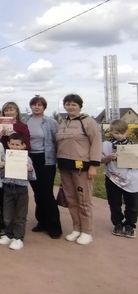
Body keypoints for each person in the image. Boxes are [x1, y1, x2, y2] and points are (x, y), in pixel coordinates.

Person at [56, 93, 102, 245]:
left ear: (80, 106)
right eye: (67, 104)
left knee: (83, 200)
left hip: (82, 166)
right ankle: (76, 228)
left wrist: (93, 166)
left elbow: (96, 143)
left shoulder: (88, 122)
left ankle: (87, 231)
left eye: (73, 104)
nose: (70, 107)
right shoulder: (63, 122)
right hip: (64, 166)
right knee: (70, 198)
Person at [26, 95, 62, 239]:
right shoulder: (25, 120)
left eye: (40, 105)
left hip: (46, 160)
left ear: (44, 107)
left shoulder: (51, 122)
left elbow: (57, 141)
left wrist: (58, 159)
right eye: (34, 104)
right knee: (37, 193)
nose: (37, 107)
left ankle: (54, 227)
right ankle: (41, 222)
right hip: (30, 159)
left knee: (46, 193)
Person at [0, 133, 36, 251]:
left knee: (20, 214)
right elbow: (1, 175)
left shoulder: (27, 159)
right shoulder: (5, 158)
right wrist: (1, 167)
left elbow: (33, 177)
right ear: (8, 144)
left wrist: (30, 170)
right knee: (7, 214)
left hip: (21, 189)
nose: (14, 147)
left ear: (23, 146)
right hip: (8, 188)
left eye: (17, 145)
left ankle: (18, 238)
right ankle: (9, 235)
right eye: (12, 144)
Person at [102, 119, 138, 238]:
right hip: (112, 177)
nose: (119, 136)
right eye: (116, 133)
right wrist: (109, 157)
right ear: (111, 131)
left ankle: (130, 225)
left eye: (122, 133)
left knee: (132, 203)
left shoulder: (133, 146)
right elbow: (100, 160)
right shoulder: (106, 145)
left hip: (131, 179)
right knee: (114, 203)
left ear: (127, 132)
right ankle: (117, 223)